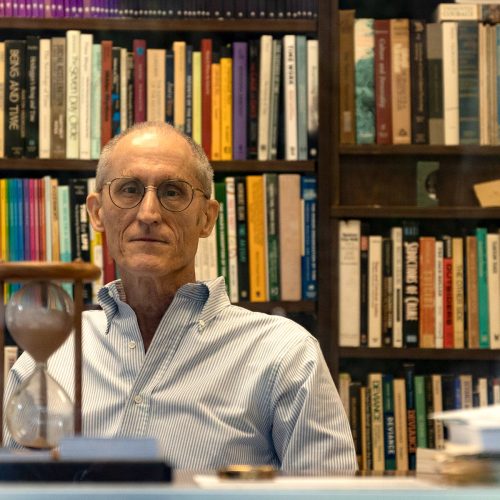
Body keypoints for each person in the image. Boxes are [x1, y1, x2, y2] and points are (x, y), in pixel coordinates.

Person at [4, 122, 357, 473]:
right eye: (129, 189)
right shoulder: (53, 353)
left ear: (207, 218)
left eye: (173, 192)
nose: (148, 214)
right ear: (97, 212)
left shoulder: (285, 355)